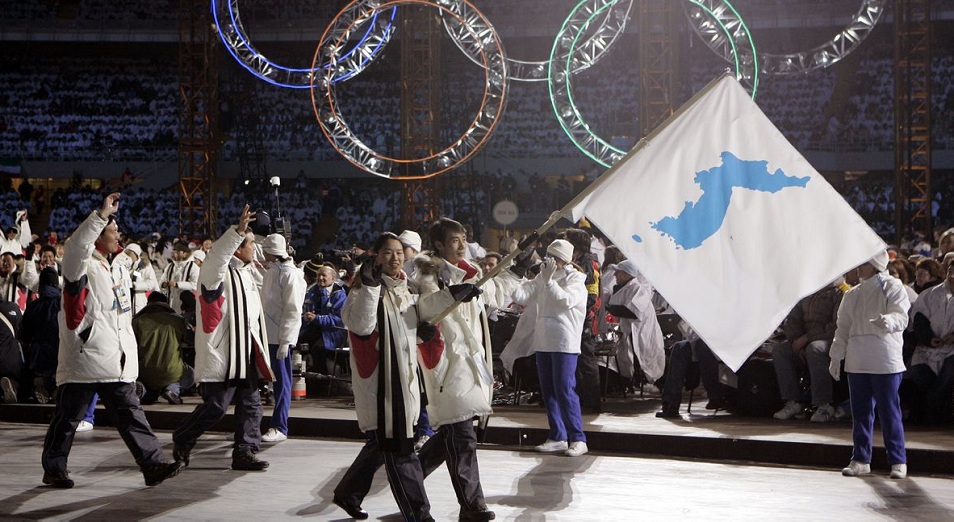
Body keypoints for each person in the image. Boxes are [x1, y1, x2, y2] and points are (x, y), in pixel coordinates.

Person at [40, 192, 184, 489]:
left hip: (113, 359)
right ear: (97, 235)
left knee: (131, 415)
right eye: (112, 228)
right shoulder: (80, 264)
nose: (118, 231)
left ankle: (153, 464)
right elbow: (77, 244)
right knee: (67, 419)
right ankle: (54, 468)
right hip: (85, 357)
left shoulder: (113, 266)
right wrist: (101, 214)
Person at [333, 232, 434, 521]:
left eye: (399, 252)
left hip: (402, 382)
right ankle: (419, 513)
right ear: (375, 256)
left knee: (383, 443)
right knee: (400, 451)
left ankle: (348, 493)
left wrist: (418, 333)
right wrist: (369, 286)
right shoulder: (361, 288)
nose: (395, 257)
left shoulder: (405, 288)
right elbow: (363, 327)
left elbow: (399, 335)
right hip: (381, 384)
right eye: (388, 252)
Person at [172, 205, 274, 472]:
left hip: (247, 350)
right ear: (237, 247)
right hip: (225, 354)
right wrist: (237, 231)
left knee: (252, 405)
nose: (255, 248)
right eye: (250, 243)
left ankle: (245, 451)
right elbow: (218, 255)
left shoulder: (248, 272)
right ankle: (183, 437)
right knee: (217, 407)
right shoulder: (215, 271)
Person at [414, 217, 495, 522]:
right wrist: (453, 294)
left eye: (463, 238)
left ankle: (409, 477)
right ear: (438, 245)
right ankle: (472, 505)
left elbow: (497, 299)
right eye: (454, 240)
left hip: (470, 363)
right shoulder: (428, 277)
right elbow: (426, 309)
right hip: (448, 365)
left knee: (453, 434)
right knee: (462, 436)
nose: (462, 245)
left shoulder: (471, 274)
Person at [829, 251, 909, 479]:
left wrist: (889, 321)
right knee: (861, 413)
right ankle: (861, 459)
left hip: (885, 360)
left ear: (875, 265)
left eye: (864, 263)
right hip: (858, 361)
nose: (859, 267)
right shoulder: (852, 294)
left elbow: (902, 316)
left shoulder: (892, 287)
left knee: (889, 411)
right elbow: (842, 327)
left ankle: (898, 460)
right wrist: (836, 355)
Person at [508, 239, 589, 457]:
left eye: (556, 258)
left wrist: (549, 281)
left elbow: (564, 301)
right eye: (549, 256)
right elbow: (520, 296)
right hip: (543, 340)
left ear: (566, 259)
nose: (551, 261)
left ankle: (578, 437)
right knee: (548, 391)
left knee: (564, 389)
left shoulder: (576, 280)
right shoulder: (543, 275)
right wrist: (516, 271)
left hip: (564, 341)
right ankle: (558, 436)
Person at [772, 280, 846, 423]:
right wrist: (795, 341)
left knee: (815, 349)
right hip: (804, 340)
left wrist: (807, 338)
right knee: (781, 350)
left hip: (830, 340)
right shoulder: (807, 293)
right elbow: (793, 320)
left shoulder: (840, 293)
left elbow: (836, 326)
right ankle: (793, 402)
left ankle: (824, 404)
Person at [260, 233, 306, 443]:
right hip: (266, 334)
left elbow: (293, 310)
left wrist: (286, 340)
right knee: (270, 383)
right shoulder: (273, 271)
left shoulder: (291, 275)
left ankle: (280, 426)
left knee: (283, 383)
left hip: (279, 337)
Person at [556, 228, 602, 413]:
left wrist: (580, 313)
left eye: (567, 240)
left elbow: (592, 294)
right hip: (574, 319)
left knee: (586, 360)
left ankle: (592, 402)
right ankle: (580, 399)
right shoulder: (575, 260)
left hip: (585, 320)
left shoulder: (588, 262)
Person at [906, 261, 954, 424]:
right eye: (950, 272)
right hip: (929, 348)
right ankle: (936, 411)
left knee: (948, 374)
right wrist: (928, 338)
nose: (952, 276)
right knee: (916, 372)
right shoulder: (930, 294)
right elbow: (919, 319)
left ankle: (931, 412)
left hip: (952, 351)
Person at [605, 260, 666, 388]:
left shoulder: (638, 289)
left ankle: (664, 388)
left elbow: (632, 312)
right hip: (631, 333)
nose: (615, 275)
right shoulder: (625, 288)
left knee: (650, 364)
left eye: (619, 272)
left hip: (644, 333)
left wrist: (608, 307)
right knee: (631, 362)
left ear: (627, 274)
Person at [132, 292, 192, 405]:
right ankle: (172, 390)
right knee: (190, 373)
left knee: (149, 392)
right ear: (166, 303)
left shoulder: (137, 321)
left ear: (148, 303)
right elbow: (189, 341)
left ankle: (142, 389)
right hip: (172, 372)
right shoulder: (178, 321)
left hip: (144, 372)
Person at [21, 266, 61, 404]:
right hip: (59, 350)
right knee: (58, 370)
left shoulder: (34, 305)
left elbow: (24, 332)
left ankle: (41, 383)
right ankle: (57, 385)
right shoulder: (62, 303)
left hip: (38, 352)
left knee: (38, 367)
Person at [299, 263, 347, 377]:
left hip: (332, 332)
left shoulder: (340, 294)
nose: (320, 278)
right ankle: (304, 382)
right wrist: (305, 317)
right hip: (313, 328)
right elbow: (306, 309)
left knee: (318, 348)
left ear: (333, 278)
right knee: (297, 344)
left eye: (324, 275)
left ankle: (322, 384)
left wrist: (317, 318)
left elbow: (338, 319)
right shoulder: (312, 291)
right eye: (318, 275)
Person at [0, 294, 23, 404]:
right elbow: (22, 329)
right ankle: (12, 386)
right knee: (15, 376)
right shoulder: (13, 307)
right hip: (11, 353)